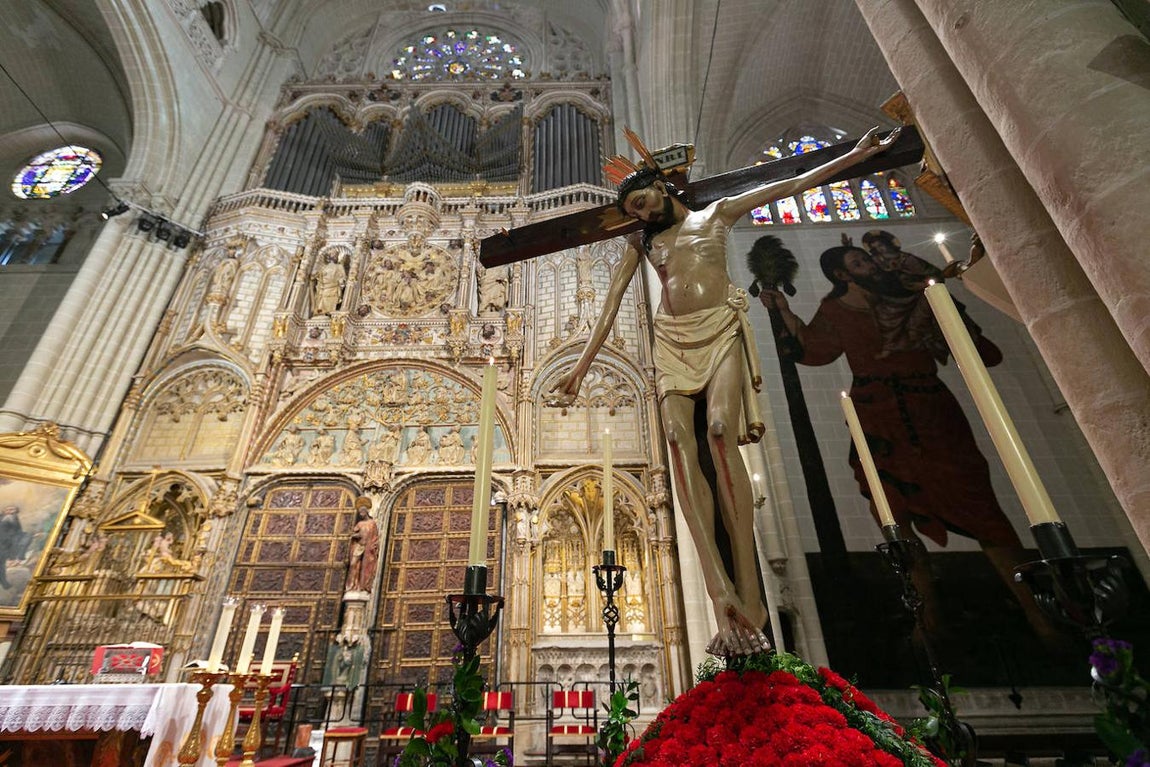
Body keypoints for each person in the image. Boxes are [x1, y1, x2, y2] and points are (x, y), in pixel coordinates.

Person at [547, 126, 901, 655]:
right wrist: (579, 369)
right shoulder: (645, 243)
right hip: (670, 340)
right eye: (636, 211)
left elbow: (790, 186)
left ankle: (750, 593)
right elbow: (611, 306)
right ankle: (720, 589)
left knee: (718, 432)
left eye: (644, 202)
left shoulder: (717, 215)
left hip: (718, 329)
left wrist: (857, 154)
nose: (643, 215)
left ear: (664, 190)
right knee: (675, 441)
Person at [760, 243, 1056, 642]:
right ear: (843, 275)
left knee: (980, 506)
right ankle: (926, 619)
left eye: (868, 258)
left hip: (929, 410)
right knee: (892, 513)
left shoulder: (913, 297)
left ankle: (1041, 615)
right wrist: (780, 310)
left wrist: (945, 301)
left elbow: (981, 351)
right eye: (860, 262)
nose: (871, 264)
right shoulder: (836, 310)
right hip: (877, 416)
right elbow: (814, 350)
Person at [346, 500, 380, 592]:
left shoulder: (372, 523)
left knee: (366, 566)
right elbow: (353, 534)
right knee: (353, 564)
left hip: (368, 548)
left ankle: (364, 585)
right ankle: (353, 584)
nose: (361, 514)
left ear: (367, 512)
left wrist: (374, 545)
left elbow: (375, 536)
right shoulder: (360, 524)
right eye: (360, 512)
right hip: (359, 546)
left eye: (362, 512)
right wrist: (356, 536)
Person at [312, 251, 346, 316]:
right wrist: (316, 276)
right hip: (323, 287)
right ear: (329, 256)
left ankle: (328, 313)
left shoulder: (339, 266)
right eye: (333, 255)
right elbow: (319, 276)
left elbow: (343, 277)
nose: (334, 256)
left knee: (330, 302)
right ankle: (320, 313)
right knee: (321, 302)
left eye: (336, 255)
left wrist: (341, 282)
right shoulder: (324, 267)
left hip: (333, 287)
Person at [0, 504, 23, 589]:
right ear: (4, 511)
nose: (10, 512)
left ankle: (4, 582)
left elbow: (18, 532)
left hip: (4, 547)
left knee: (1, 565)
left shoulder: (14, 520)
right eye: (8, 509)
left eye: (12, 510)